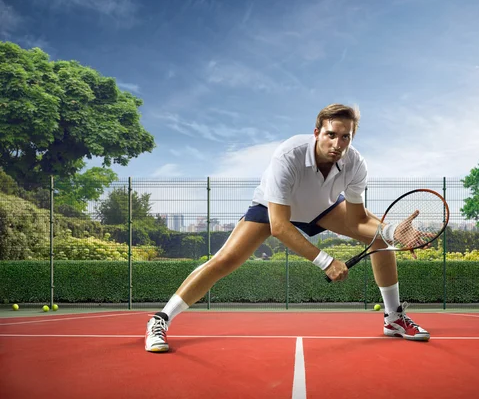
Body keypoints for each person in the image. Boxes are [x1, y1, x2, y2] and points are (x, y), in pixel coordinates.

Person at [145, 104, 430, 352]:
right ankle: (160, 319)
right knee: (225, 260)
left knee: (380, 239)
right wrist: (326, 261)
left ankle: (393, 319)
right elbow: (279, 226)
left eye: (346, 137)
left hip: (323, 208)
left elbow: (357, 220)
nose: (338, 143)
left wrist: (392, 232)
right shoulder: (288, 155)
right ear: (317, 132)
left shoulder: (356, 164)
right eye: (331, 134)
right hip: (274, 208)